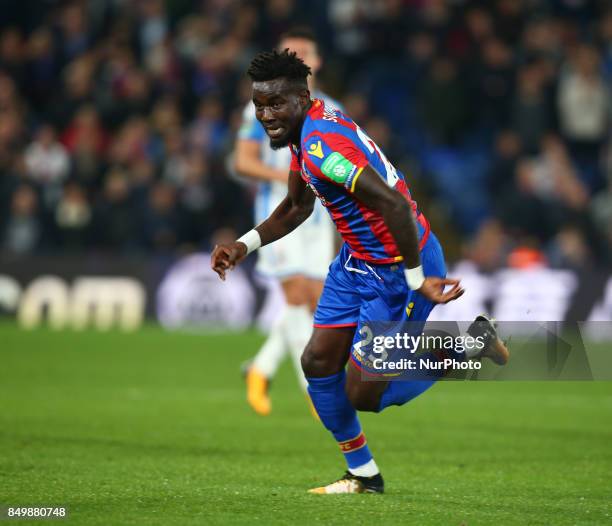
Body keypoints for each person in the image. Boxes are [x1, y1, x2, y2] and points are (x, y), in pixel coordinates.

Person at [212, 50, 509, 494]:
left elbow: (394, 205)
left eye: (276, 104)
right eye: (260, 105)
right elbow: (297, 206)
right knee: (316, 361)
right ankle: (364, 476)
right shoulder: (303, 131)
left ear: (302, 97)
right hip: (356, 264)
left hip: (400, 270)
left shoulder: (322, 147)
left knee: (364, 395)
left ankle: (469, 345)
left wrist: (415, 280)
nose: (266, 115)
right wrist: (244, 245)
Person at [234, 28, 338, 416]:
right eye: (291, 52)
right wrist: (293, 177)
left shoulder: (331, 109)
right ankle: (316, 392)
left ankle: (259, 369)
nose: (299, 57)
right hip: (279, 215)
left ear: (317, 61)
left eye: (305, 52)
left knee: (311, 301)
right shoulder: (257, 106)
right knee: (295, 294)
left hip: (320, 218)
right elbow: (243, 162)